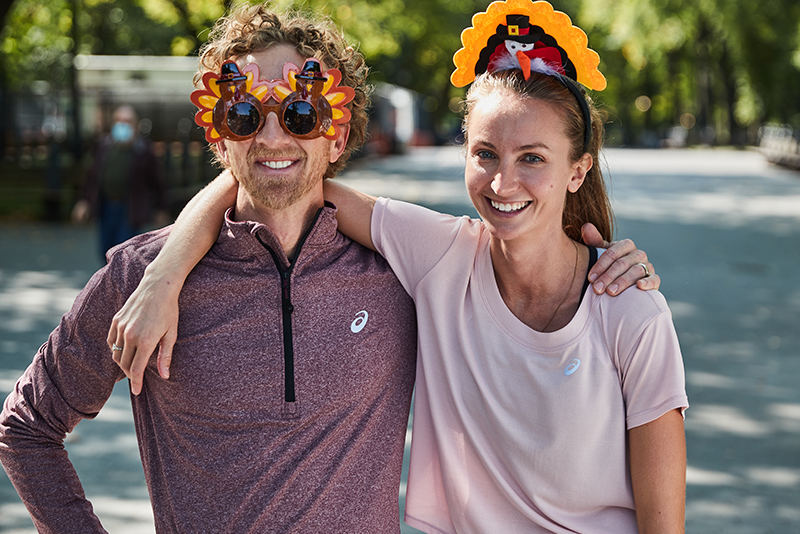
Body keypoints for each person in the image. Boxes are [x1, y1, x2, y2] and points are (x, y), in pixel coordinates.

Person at [103, 2, 680, 533]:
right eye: (485, 154)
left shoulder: (630, 311)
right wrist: (165, 271)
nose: (504, 182)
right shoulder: (442, 258)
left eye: (533, 158)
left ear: (577, 170)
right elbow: (279, 172)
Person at [1, 8, 421, 532]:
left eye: (301, 115)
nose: (271, 138)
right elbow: (28, 425)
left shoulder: (403, 277)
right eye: (244, 116)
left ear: (336, 138)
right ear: (219, 138)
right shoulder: (141, 277)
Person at [72, 105, 169, 260]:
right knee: (105, 249)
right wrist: (84, 201)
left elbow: (157, 182)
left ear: (136, 125)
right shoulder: (104, 146)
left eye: (127, 121)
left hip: (129, 208)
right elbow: (92, 177)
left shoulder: (143, 150)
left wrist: (161, 208)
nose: (122, 125)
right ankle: (112, 281)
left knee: (122, 252)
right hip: (106, 207)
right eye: (119, 121)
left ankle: (121, 283)